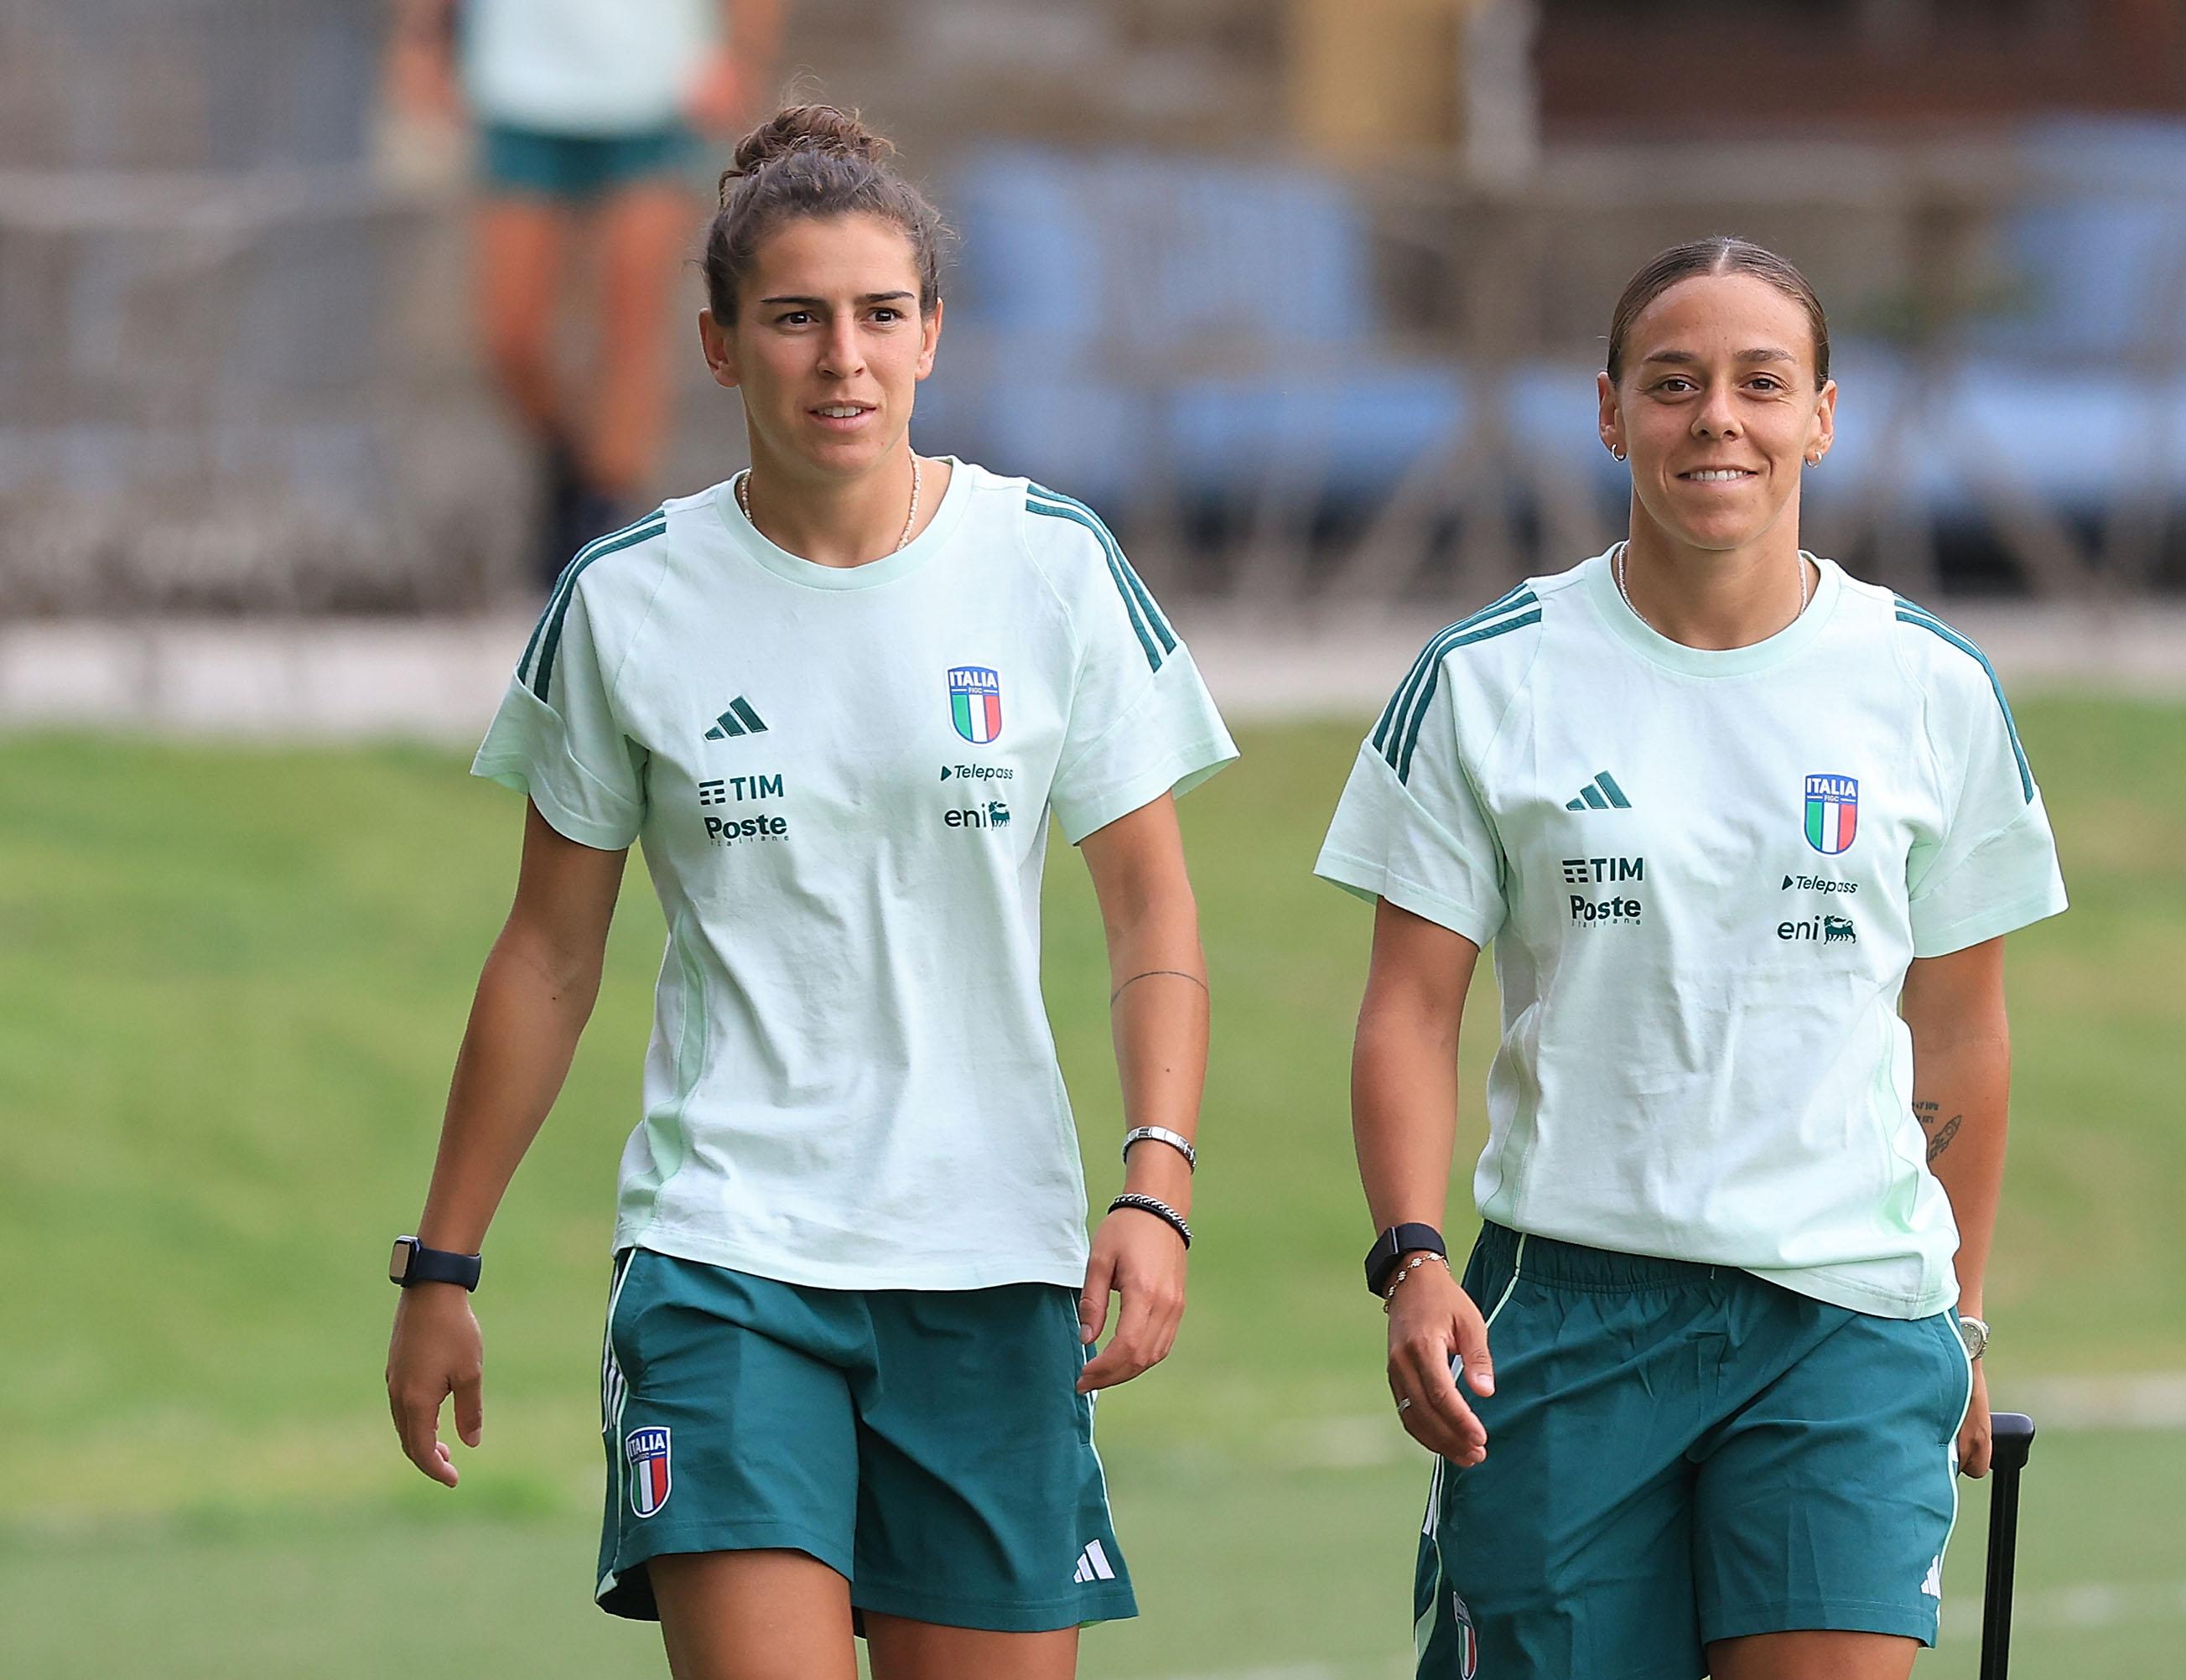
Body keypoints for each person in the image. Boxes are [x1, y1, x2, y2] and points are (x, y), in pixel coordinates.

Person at [383, 105, 1238, 1680]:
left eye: (878, 315)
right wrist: (442, 1265)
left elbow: (1152, 910)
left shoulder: (1050, 566)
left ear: (931, 334)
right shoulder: (625, 598)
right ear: (718, 344)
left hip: (995, 1269)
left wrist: (1156, 1181)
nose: (841, 357)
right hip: (728, 1260)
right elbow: (549, 957)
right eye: (794, 317)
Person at [1315, 236, 2067, 1680]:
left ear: (1822, 415)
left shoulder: (1932, 687)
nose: (1716, 417)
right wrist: (1412, 1255)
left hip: (1845, 1317)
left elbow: (1963, 1029)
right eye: (1674, 384)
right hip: (1570, 1306)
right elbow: (1409, 1009)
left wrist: (1960, 1309)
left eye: (1759, 383)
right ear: (1610, 413)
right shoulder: (1487, 676)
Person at [385, 0, 787, 578]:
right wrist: (423, 39)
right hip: (517, 87)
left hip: (656, 87)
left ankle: (606, 514)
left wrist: (740, 55)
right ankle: (569, 470)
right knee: (511, 338)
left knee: (631, 323)